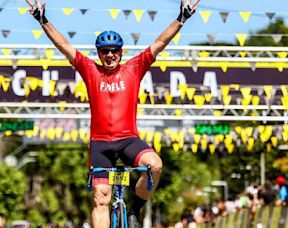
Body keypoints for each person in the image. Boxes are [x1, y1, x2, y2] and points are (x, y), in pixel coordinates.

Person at [26, 0, 198, 227]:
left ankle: (135, 209)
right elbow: (64, 45)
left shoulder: (133, 69)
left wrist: (182, 18)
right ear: (98, 53)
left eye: (114, 50)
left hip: (128, 140)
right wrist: (42, 20)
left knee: (155, 166)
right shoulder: (90, 70)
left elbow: (160, 42)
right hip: (100, 144)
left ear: (121, 52)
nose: (110, 55)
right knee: (100, 198)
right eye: (105, 51)